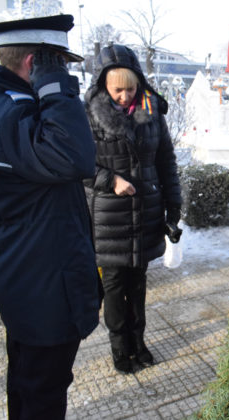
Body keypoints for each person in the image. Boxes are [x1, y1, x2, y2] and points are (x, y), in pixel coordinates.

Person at [0, 15, 101, 419]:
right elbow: (76, 157)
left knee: (27, 381)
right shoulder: (14, 115)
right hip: (43, 285)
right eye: (58, 64)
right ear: (34, 63)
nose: (65, 74)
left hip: (23, 276)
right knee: (42, 392)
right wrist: (56, 88)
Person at [83, 44, 183, 374]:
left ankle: (138, 342)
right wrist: (109, 180)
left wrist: (173, 205)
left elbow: (166, 160)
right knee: (114, 284)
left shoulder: (151, 111)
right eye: (117, 90)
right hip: (108, 216)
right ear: (104, 86)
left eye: (130, 88)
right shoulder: (88, 114)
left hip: (145, 210)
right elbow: (76, 164)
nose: (125, 96)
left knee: (138, 283)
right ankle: (119, 347)